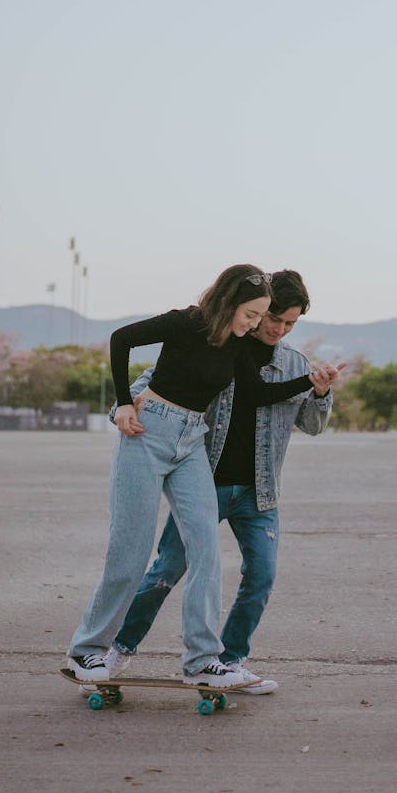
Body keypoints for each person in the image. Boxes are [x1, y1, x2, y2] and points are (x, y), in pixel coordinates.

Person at [66, 264, 324, 689]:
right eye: (252, 314)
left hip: (191, 442)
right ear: (230, 303)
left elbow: (258, 394)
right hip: (149, 433)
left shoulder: (238, 345)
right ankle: (87, 651)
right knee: (130, 552)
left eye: (263, 317)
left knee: (205, 550)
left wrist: (311, 384)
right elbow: (121, 340)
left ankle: (203, 661)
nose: (256, 324)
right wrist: (124, 402)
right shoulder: (186, 322)